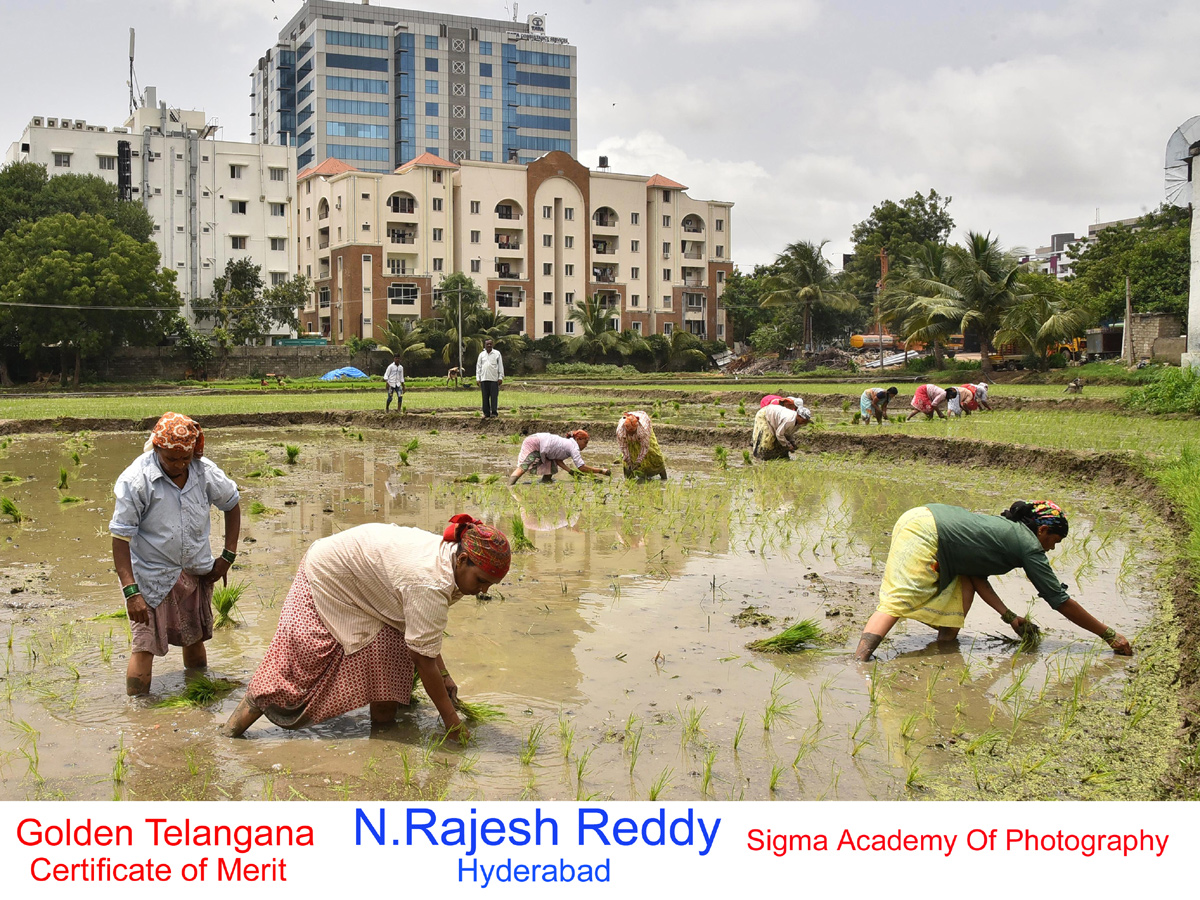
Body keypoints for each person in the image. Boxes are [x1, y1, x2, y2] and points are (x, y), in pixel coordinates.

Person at [221, 515, 510, 739]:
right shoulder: (430, 582)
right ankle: (230, 734)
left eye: (490, 584)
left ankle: (384, 738)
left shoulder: (450, 564)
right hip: (330, 573)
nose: (483, 590)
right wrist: (452, 723)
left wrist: (445, 675)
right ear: (462, 559)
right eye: (481, 580)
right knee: (301, 662)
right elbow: (423, 658)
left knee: (390, 656)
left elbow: (423, 633)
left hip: (369, 586)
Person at [854, 500, 1132, 661]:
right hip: (927, 529)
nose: (1053, 548)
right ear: (1043, 530)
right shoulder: (1028, 545)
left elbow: (975, 577)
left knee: (960, 589)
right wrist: (1109, 636)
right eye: (1054, 541)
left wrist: (1010, 617)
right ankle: (860, 661)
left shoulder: (1009, 531)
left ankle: (945, 646)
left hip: (921, 516)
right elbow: (1059, 600)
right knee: (900, 598)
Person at [110, 412, 241, 695]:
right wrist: (132, 593)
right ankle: (139, 714)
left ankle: (197, 693)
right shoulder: (136, 481)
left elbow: (232, 503)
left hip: (194, 569)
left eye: (185, 458)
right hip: (151, 577)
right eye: (171, 459)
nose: (179, 465)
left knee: (194, 639)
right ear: (156, 448)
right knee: (143, 646)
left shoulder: (203, 471)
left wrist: (227, 556)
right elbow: (120, 539)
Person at [508, 430, 612, 485]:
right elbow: (581, 467)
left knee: (551, 466)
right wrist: (601, 471)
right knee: (523, 467)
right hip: (536, 443)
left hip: (540, 442)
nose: (586, 445)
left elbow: (557, 460)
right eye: (585, 442)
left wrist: (570, 471)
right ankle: (509, 486)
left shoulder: (568, 443)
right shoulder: (573, 446)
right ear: (578, 439)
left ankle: (545, 482)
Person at [616, 410, 668, 481]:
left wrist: (638, 462)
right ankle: (629, 480)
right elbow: (624, 448)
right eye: (629, 432)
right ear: (626, 429)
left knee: (654, 454)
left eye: (633, 432)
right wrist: (629, 462)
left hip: (644, 431)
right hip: (628, 439)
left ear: (636, 428)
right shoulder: (620, 431)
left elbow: (645, 447)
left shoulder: (643, 430)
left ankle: (664, 478)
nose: (631, 434)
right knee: (628, 459)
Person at [476, 338, 504, 419]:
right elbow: (478, 367)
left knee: (494, 397)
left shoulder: (497, 354)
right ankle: (486, 413)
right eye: (487, 344)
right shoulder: (481, 355)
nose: (489, 345)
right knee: (485, 397)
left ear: (492, 345)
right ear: (485, 345)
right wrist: (478, 378)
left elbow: (500, 366)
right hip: (484, 379)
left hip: (494, 379)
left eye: (490, 344)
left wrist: (500, 377)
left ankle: (494, 413)